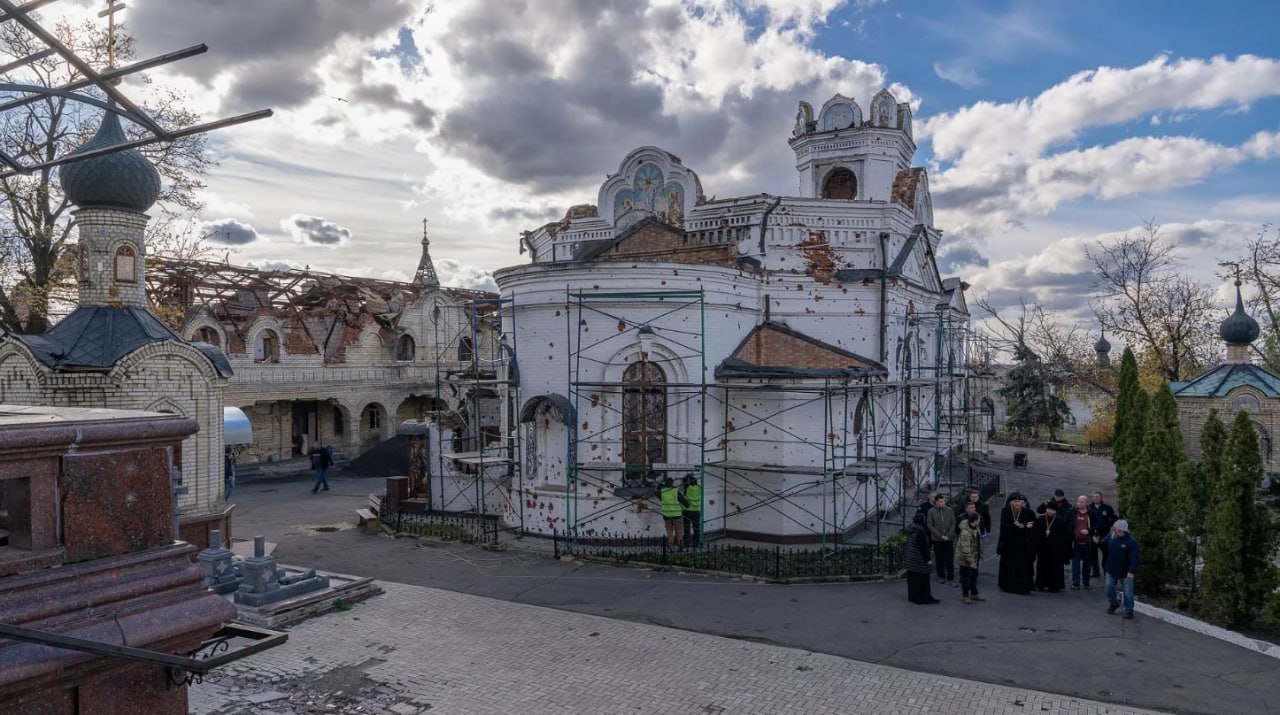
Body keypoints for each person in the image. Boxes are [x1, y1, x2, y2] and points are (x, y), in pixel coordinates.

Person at [1100, 519, 1140, 619]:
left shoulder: (1131, 542)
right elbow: (1103, 545)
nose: (1113, 528)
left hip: (1125, 572)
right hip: (1111, 569)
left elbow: (1134, 558)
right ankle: (1114, 603)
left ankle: (1128, 610)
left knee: (1128, 592)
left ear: (1121, 530)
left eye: (1115, 527)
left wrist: (1131, 571)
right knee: (1108, 588)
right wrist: (1098, 542)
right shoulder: (1111, 537)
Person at [997, 492, 1036, 594]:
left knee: (1022, 568)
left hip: (1023, 545)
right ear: (1010, 502)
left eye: (1019, 501)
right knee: (1009, 567)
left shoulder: (1029, 513)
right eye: (1015, 501)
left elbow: (1034, 527)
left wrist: (1025, 528)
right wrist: (1016, 526)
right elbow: (1004, 528)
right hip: (1009, 544)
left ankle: (1022, 588)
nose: (1017, 504)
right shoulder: (1005, 511)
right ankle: (1007, 586)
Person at [1033, 501, 1071, 592]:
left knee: (1055, 568)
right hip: (1043, 548)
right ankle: (1040, 584)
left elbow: (1064, 537)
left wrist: (1064, 551)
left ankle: (1054, 585)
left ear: (1055, 511)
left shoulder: (1060, 521)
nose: (1050, 511)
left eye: (1052, 510)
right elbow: (1036, 534)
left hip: (1056, 549)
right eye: (1049, 509)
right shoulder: (1041, 519)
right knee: (1042, 567)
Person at [905, 513, 940, 605]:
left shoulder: (911, 529)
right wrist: (928, 560)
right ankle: (924, 597)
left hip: (911, 559)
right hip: (919, 560)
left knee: (913, 580)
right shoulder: (920, 531)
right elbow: (923, 547)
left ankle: (913, 597)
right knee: (923, 579)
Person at [926, 494, 957, 586]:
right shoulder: (931, 511)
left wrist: (948, 535)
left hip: (949, 539)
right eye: (941, 502)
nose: (943, 503)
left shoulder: (949, 510)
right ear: (936, 502)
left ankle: (950, 577)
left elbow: (953, 523)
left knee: (949, 559)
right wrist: (940, 536)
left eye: (943, 501)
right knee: (939, 559)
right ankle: (941, 576)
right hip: (937, 540)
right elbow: (930, 526)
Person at [956, 512, 985, 604]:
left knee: (974, 576)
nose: (980, 521)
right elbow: (965, 549)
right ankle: (965, 595)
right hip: (966, 559)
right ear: (975, 521)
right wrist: (971, 561)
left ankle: (974, 594)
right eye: (979, 519)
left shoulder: (976, 528)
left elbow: (977, 542)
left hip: (974, 556)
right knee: (966, 578)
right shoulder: (965, 532)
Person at [1088, 491, 1118, 579]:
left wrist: (1110, 525)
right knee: (1093, 554)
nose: (1095, 498)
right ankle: (1095, 572)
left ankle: (1106, 571)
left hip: (1104, 534)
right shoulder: (1089, 508)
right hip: (1092, 534)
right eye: (1094, 497)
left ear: (1101, 498)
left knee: (1106, 553)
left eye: (1097, 497)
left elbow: (1114, 518)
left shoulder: (1107, 508)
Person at [1070, 495, 1094, 590]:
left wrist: (1089, 531)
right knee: (1075, 564)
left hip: (1088, 543)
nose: (1079, 503)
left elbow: (1097, 525)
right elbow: (1068, 523)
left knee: (1087, 564)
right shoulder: (1073, 512)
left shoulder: (1091, 513)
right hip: (1076, 543)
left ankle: (1086, 583)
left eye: (1081, 502)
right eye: (1078, 501)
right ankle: (1075, 583)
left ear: (1086, 503)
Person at [658, 476, 684, 550]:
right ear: (672, 483)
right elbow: (684, 502)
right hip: (677, 515)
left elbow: (657, 493)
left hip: (666, 515)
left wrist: (660, 485)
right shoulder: (675, 491)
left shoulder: (662, 491)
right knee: (679, 531)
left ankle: (670, 546)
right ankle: (680, 546)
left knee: (669, 531)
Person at [680, 474, 702, 548]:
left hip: (687, 511)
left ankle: (687, 543)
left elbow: (685, 481)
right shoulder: (699, 488)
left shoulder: (688, 488)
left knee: (687, 528)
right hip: (696, 511)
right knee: (696, 528)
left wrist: (688, 476)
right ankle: (696, 543)